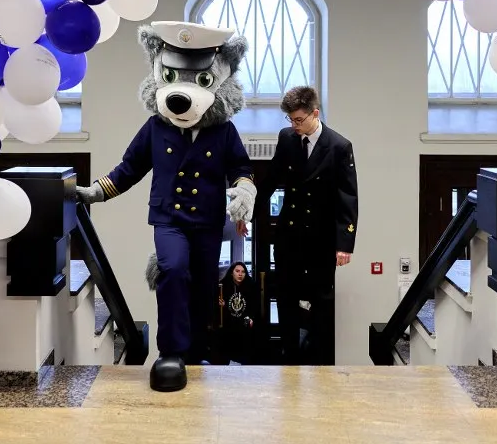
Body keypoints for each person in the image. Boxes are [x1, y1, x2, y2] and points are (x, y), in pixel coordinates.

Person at [76, 21, 256, 392]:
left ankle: (197, 349)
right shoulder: (155, 127)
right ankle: (171, 352)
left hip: (207, 221)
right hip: (169, 218)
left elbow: (241, 168)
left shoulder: (223, 131)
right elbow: (129, 168)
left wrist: (244, 190)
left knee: (204, 285)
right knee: (172, 270)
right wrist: (96, 192)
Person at [253, 86, 358, 365]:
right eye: (290, 119)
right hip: (288, 236)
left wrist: (344, 244)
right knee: (285, 298)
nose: (294, 125)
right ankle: (289, 362)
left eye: (299, 120)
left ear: (315, 113)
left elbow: (347, 197)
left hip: (320, 240)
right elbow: (272, 179)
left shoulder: (339, 147)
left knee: (321, 303)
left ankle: (323, 364)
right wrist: (249, 214)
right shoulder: (287, 138)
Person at [216, 262, 261, 364]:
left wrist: (250, 318)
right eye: (237, 271)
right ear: (232, 273)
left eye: (243, 272)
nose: (240, 274)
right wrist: (222, 305)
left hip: (243, 322)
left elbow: (254, 307)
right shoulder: (223, 286)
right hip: (229, 323)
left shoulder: (251, 286)